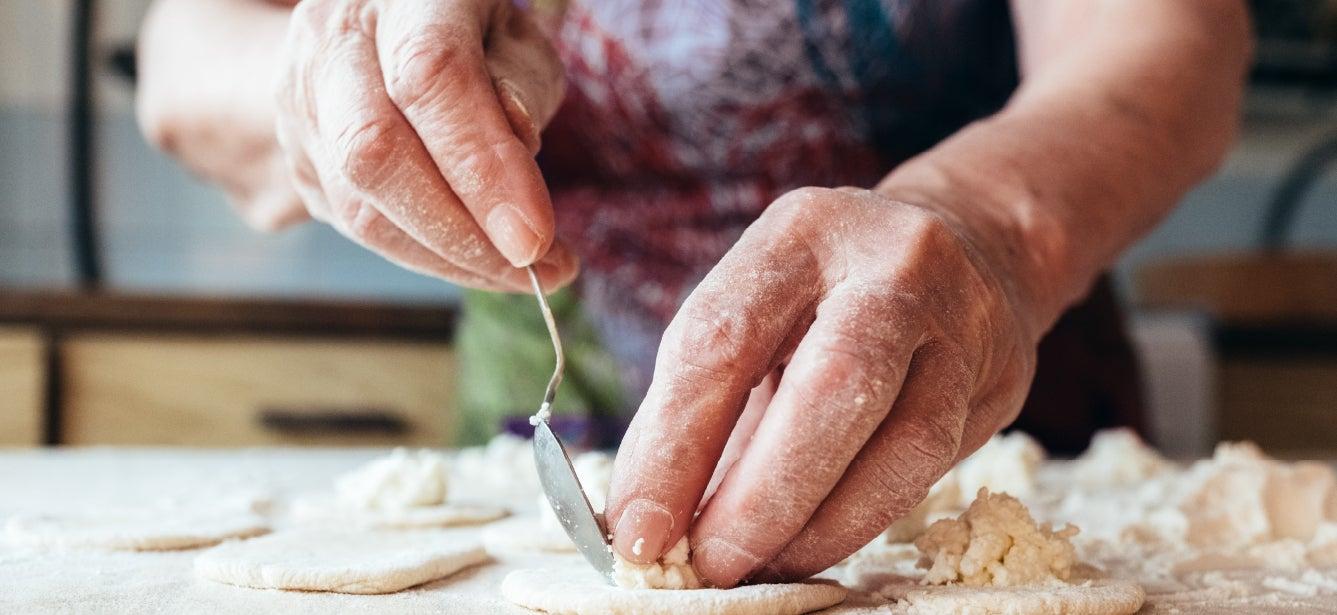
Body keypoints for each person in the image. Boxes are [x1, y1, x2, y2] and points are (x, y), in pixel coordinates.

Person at [136, 0, 1252, 588]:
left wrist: (990, 223)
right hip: (536, 451)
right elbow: (181, 55)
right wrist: (323, 73)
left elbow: (1169, 38)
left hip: (990, 448)